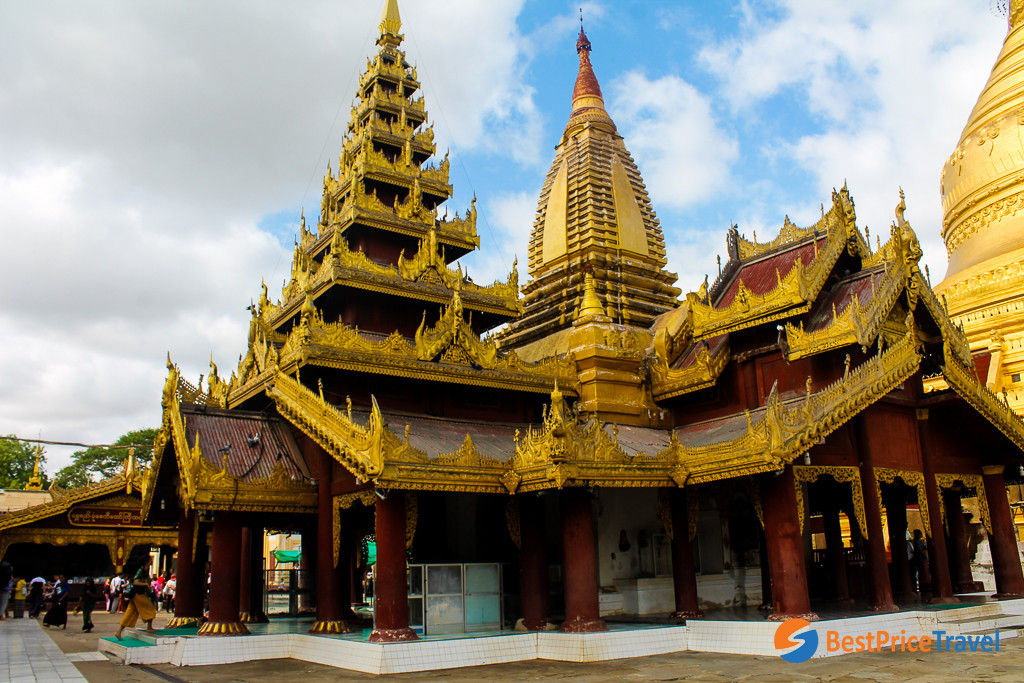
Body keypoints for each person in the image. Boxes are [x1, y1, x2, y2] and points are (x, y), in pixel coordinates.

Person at [115, 557, 158, 640]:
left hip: (136, 595)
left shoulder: (144, 569)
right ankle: (149, 627)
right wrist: (146, 584)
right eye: (150, 560)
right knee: (150, 608)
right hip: (138, 594)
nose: (151, 561)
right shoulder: (141, 570)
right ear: (146, 561)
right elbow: (136, 582)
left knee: (130, 613)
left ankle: (118, 632)